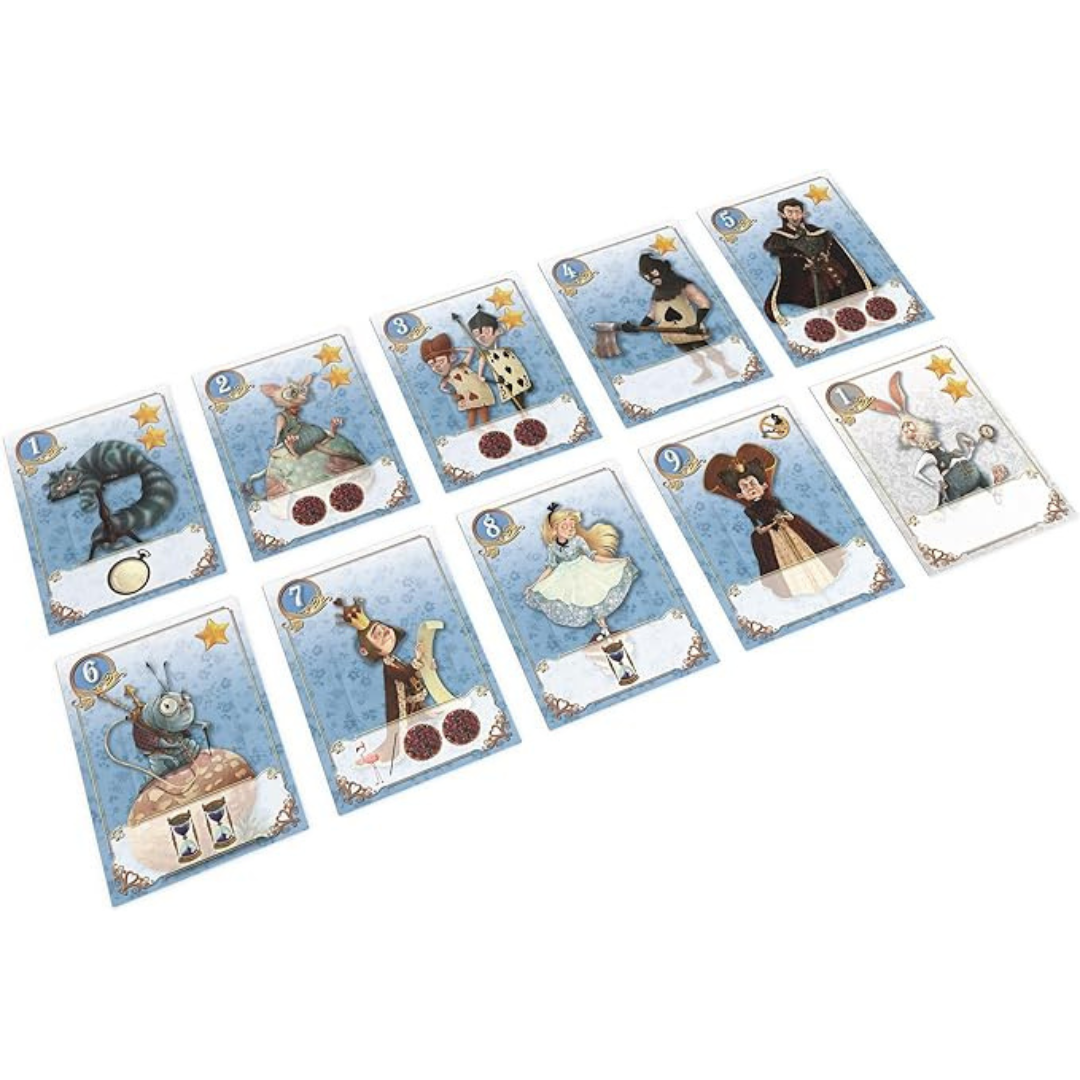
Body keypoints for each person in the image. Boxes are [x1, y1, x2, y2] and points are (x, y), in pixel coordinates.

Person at [703, 443, 844, 598]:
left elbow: (786, 512)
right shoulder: (750, 510)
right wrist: (768, 527)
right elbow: (757, 528)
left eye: (752, 483)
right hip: (773, 535)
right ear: (740, 495)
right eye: (744, 487)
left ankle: (821, 574)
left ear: (763, 485)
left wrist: (787, 518)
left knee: (804, 548)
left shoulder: (773, 501)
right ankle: (796, 587)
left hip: (786, 527)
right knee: (783, 560)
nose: (750, 488)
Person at [524, 504, 638, 640]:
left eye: (572, 527)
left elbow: (593, 556)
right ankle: (602, 629)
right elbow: (550, 567)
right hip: (566, 576)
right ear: (554, 529)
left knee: (593, 595)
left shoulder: (578, 540)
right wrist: (535, 584)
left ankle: (604, 628)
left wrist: (616, 561)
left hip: (584, 570)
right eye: (564, 527)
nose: (569, 530)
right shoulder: (552, 548)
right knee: (575, 600)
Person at [622, 253, 737, 381]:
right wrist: (639, 327)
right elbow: (653, 314)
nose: (653, 279)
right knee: (691, 353)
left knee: (705, 348)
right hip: (671, 332)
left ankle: (727, 368)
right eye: (648, 277)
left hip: (689, 327)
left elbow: (704, 303)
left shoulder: (683, 285)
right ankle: (706, 371)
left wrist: (696, 324)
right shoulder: (657, 293)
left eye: (654, 273)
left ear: (662, 268)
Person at [762, 198, 874, 322]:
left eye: (797, 212)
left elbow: (830, 246)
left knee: (841, 286)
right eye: (790, 212)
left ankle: (848, 313)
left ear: (803, 213)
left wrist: (825, 254)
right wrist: (802, 260)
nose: (794, 216)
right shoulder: (779, 238)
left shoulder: (817, 231)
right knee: (819, 295)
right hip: (805, 273)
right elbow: (785, 256)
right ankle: (826, 319)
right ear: (782, 215)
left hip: (826, 266)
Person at [458, 306, 532, 411]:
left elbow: (517, 366)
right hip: (505, 382)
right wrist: (480, 376)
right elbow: (481, 365)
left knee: (520, 396)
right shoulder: (485, 354)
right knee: (517, 401)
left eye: (486, 331)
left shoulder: (506, 351)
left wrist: (526, 380)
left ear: (498, 331)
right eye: (476, 334)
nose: (481, 337)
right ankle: (521, 409)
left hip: (517, 379)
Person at [419, 332, 495, 429]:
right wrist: (456, 396)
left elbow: (471, 350)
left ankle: (490, 429)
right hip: (468, 397)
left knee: (484, 413)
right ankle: (473, 431)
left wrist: (456, 349)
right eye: (432, 365)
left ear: (452, 357)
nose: (437, 367)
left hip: (480, 391)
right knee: (471, 416)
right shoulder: (446, 380)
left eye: (441, 361)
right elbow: (450, 390)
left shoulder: (461, 366)